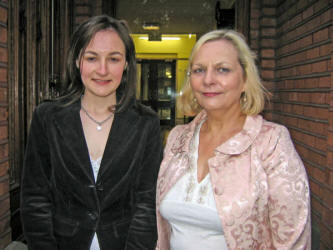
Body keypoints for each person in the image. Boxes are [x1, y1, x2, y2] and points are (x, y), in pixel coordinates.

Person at [156, 29, 311, 249]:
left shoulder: (271, 142)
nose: (209, 80)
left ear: (245, 79)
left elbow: (293, 240)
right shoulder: (177, 139)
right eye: (199, 70)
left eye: (222, 69)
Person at [21, 15, 163, 250]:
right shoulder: (47, 117)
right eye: (92, 58)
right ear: (77, 61)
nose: (103, 70)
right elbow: (35, 198)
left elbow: (147, 204)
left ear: (127, 63)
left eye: (114, 59)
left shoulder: (146, 123)